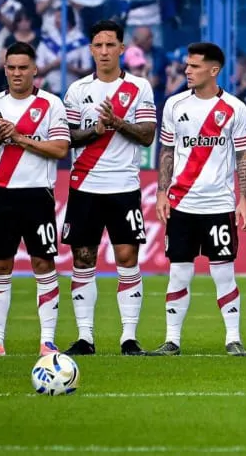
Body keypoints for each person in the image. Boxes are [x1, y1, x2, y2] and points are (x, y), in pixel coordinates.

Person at [151, 42, 246, 357]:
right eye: (187, 65)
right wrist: (161, 192)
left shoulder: (234, 108)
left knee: (223, 272)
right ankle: (172, 340)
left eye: (195, 66)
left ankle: (233, 339)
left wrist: (244, 199)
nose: (187, 70)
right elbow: (167, 150)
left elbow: (244, 157)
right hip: (182, 204)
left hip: (219, 205)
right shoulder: (174, 105)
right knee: (178, 272)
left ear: (214, 70)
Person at [61, 20, 157, 357]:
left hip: (124, 185)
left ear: (121, 48)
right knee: (83, 258)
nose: (104, 51)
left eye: (110, 45)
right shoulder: (76, 91)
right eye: (98, 45)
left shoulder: (139, 88)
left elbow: (147, 135)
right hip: (85, 184)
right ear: (91, 49)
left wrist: (117, 122)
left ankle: (128, 338)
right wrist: (96, 131)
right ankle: (85, 337)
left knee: (127, 257)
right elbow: (67, 137)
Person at [0, 42, 70, 357]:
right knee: (0, 265)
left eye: (23, 67)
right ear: (5, 68)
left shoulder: (51, 104)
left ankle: (47, 341)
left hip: (38, 193)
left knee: (43, 263)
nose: (16, 73)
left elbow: (60, 149)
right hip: (0, 193)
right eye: (11, 67)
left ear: (34, 69)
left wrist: (19, 138)